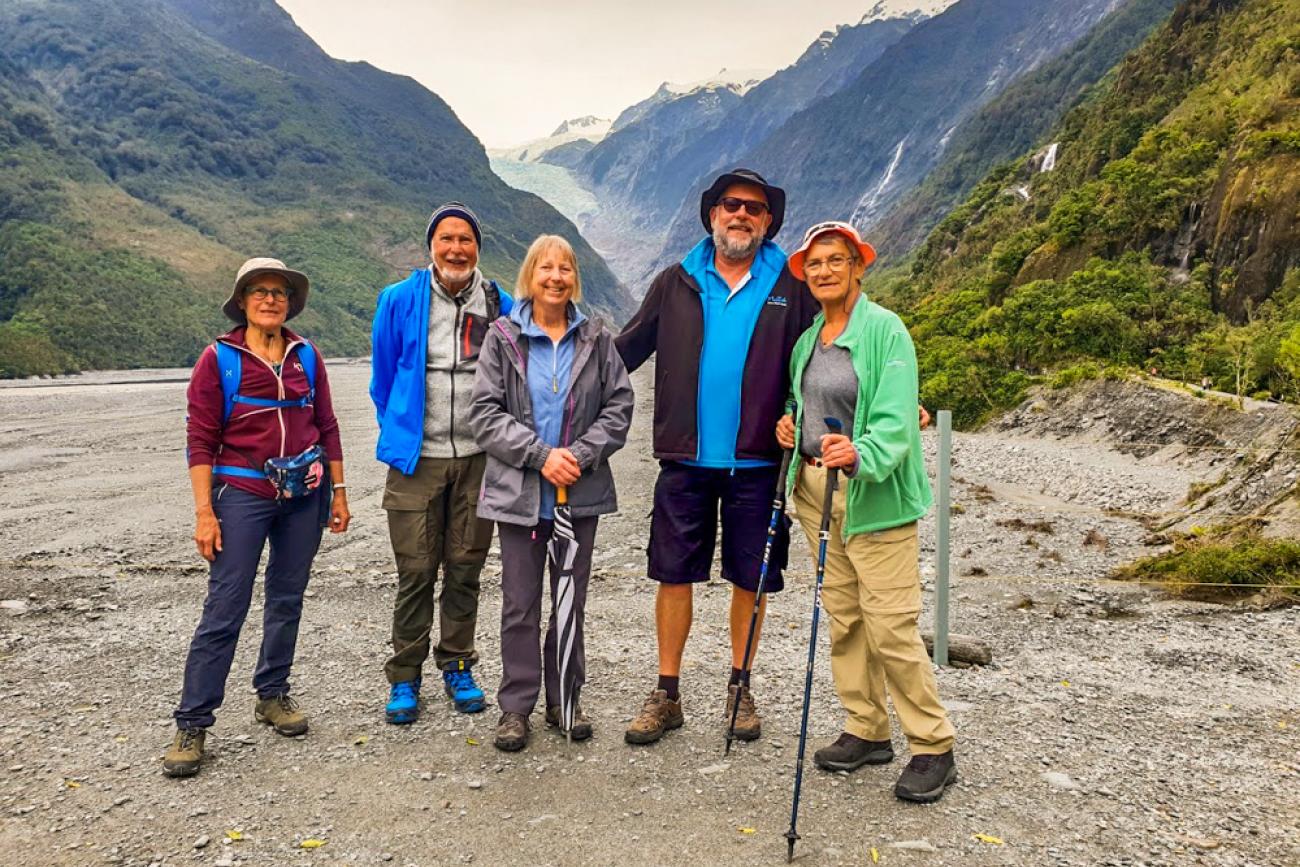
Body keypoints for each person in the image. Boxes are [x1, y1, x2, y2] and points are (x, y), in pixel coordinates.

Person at [616, 168, 819, 744]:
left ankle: (740, 688)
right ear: (712, 215)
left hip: (759, 463)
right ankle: (667, 692)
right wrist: (546, 381)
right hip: (686, 460)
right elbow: (622, 353)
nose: (742, 215)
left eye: (755, 209)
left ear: (768, 222)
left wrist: (894, 398)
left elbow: (830, 353)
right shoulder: (676, 281)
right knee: (673, 574)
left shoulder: (792, 284)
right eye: (731, 205)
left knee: (750, 578)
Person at [776, 221, 958, 803]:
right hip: (814, 495)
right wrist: (791, 424)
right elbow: (803, 401)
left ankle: (932, 745)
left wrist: (862, 453)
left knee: (891, 626)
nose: (823, 271)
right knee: (846, 618)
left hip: (872, 498)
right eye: (814, 264)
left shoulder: (885, 331)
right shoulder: (808, 340)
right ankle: (866, 728)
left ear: (858, 266)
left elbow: (898, 418)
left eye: (835, 260)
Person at [165, 257, 351, 777]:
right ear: (242, 301)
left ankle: (273, 694)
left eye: (280, 292)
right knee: (226, 605)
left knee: (287, 598)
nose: (271, 299)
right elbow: (199, 439)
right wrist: (205, 512)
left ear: (289, 302)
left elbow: (327, 426)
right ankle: (193, 721)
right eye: (259, 291)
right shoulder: (218, 359)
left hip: (304, 496)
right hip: (241, 495)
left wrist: (339, 492)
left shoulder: (306, 356)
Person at [470, 235, 634, 751]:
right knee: (520, 603)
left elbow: (619, 408)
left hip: (578, 496)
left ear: (574, 279)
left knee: (570, 601)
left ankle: (565, 698)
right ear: (530, 276)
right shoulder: (503, 337)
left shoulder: (596, 339)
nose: (556, 277)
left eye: (565, 268)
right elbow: (485, 414)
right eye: (546, 268)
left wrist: (579, 456)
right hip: (520, 495)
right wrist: (542, 456)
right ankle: (516, 707)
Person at [370, 202, 514, 723]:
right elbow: (383, 378)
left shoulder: (500, 302)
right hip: (417, 460)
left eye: (466, 240)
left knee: (466, 568)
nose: (457, 248)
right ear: (430, 244)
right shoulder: (399, 300)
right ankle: (405, 677)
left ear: (479, 247)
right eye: (447, 239)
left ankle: (456, 664)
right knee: (414, 572)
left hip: (479, 457)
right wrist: (402, 430)